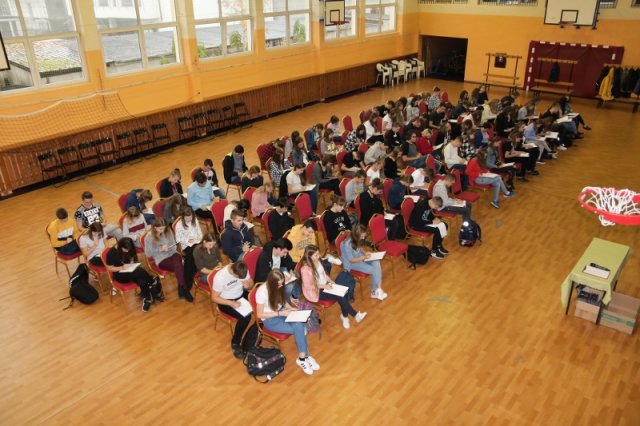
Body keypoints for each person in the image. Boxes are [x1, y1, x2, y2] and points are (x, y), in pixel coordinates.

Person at [255, 269, 320, 375]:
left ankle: (304, 358)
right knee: (301, 328)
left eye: (282, 283)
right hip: (270, 320)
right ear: (271, 283)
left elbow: (282, 300)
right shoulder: (261, 292)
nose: (281, 286)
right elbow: (260, 314)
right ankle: (304, 358)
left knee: (299, 326)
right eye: (279, 284)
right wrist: (280, 313)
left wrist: (291, 308)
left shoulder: (278, 286)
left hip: (282, 312)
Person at [301, 245, 366, 329]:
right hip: (316, 291)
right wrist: (324, 286)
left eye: (318, 253)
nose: (319, 256)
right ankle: (354, 315)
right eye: (316, 255)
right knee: (340, 295)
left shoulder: (318, 260)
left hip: (326, 285)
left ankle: (345, 317)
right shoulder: (305, 269)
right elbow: (309, 286)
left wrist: (331, 281)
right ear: (309, 257)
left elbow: (324, 274)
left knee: (343, 293)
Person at [211, 260, 254, 359]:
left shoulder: (242, 267)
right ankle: (235, 342)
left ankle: (257, 331)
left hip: (241, 295)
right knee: (245, 317)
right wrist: (231, 303)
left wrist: (248, 285)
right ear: (233, 272)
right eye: (239, 278)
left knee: (258, 303)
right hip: (225, 301)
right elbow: (214, 298)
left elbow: (251, 282)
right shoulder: (220, 277)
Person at [106, 237, 162, 312]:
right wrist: (121, 268)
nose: (127, 251)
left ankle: (147, 299)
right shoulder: (112, 253)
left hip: (131, 271)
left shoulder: (129, 248)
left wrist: (131, 263)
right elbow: (109, 268)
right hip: (120, 275)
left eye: (128, 250)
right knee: (139, 271)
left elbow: (131, 258)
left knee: (141, 280)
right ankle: (152, 281)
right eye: (125, 250)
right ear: (120, 246)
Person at [144, 218, 190, 301]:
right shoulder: (149, 237)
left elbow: (174, 246)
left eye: (164, 228)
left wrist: (170, 248)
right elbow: (148, 254)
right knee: (179, 266)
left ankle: (182, 286)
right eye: (160, 229)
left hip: (172, 253)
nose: (163, 230)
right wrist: (160, 249)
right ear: (155, 228)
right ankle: (184, 288)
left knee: (178, 263)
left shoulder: (168, 231)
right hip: (161, 258)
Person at [339, 225, 387, 301]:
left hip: (360, 257)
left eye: (364, 236)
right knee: (374, 270)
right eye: (362, 236)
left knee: (376, 262)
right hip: (351, 263)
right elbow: (351, 260)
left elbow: (359, 246)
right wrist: (364, 257)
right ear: (356, 235)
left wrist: (365, 252)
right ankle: (374, 292)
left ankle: (378, 289)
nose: (363, 238)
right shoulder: (347, 244)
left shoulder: (356, 238)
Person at [174, 206, 203, 297]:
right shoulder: (179, 224)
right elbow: (178, 239)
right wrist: (187, 240)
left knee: (191, 259)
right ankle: (187, 286)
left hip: (197, 243)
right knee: (192, 255)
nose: (189, 219)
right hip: (186, 246)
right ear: (183, 217)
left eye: (190, 217)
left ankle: (184, 286)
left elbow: (200, 233)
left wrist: (197, 239)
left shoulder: (195, 220)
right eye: (187, 218)